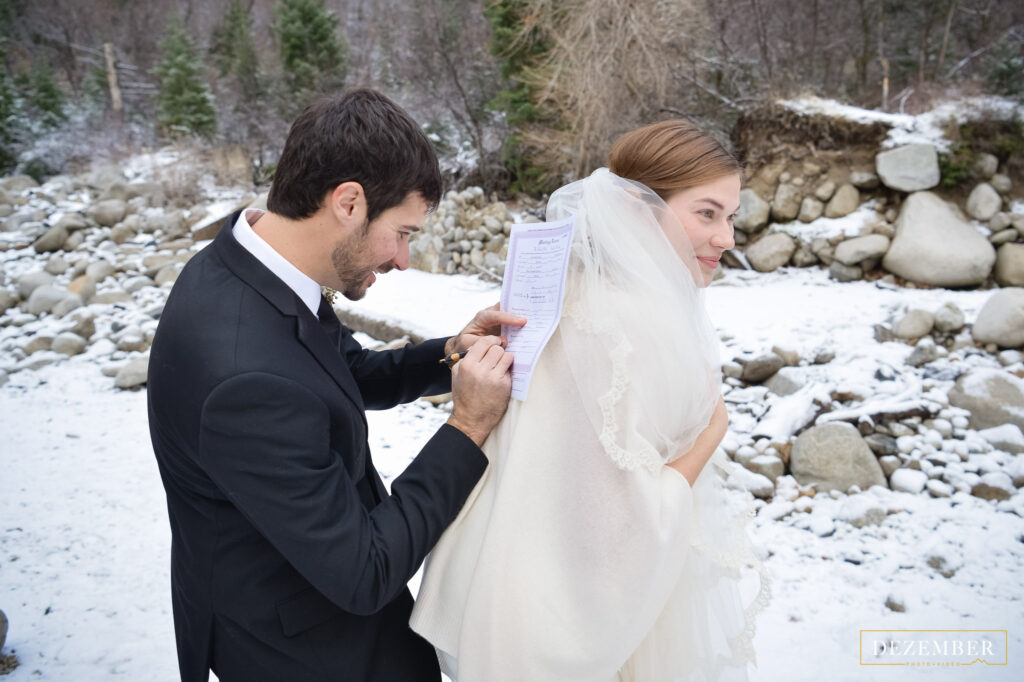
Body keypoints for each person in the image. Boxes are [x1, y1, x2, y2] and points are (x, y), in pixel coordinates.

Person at [147, 88, 524, 682]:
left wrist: (449, 352)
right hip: (306, 647)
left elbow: (339, 369)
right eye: (402, 232)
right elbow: (364, 571)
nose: (403, 259)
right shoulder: (245, 378)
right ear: (348, 202)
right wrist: (468, 425)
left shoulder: (251, 263)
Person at [410, 120, 771, 681]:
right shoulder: (636, 323)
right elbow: (618, 520)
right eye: (706, 213)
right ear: (637, 208)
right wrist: (709, 436)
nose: (726, 238)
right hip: (564, 617)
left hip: (497, 586)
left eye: (731, 217)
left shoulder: (566, 291)